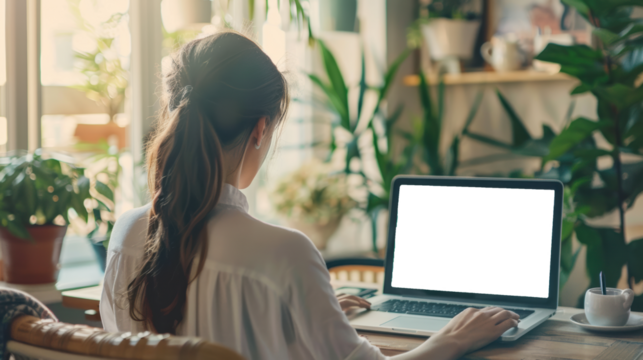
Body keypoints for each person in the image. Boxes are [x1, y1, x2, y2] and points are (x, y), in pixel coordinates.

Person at [100, 30, 520, 360]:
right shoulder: (285, 254)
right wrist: (455, 338)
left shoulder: (127, 234)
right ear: (260, 129)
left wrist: (304, 309)